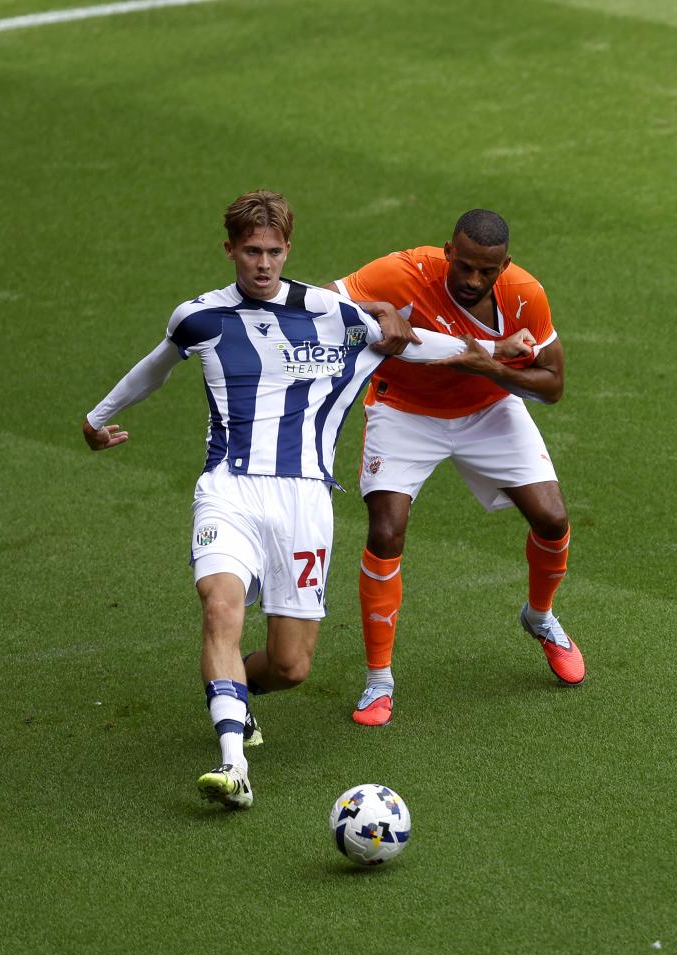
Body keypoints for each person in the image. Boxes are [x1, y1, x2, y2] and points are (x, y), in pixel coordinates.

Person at [82, 190, 533, 809]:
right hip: (229, 487)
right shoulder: (198, 317)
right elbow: (156, 367)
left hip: (306, 502)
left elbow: (413, 341)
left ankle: (234, 687)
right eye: (250, 252)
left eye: (272, 252)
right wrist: (97, 418)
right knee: (221, 606)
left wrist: (490, 354)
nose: (262, 265)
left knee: (291, 667)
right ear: (231, 251)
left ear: (287, 250)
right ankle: (234, 765)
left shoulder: (332, 312)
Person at [329, 209, 582, 729]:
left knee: (552, 519)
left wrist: (490, 366)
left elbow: (553, 386)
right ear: (447, 251)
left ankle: (540, 616)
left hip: (488, 408)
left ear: (503, 266)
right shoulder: (402, 272)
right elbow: (318, 301)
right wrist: (375, 307)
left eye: (485, 271)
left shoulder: (524, 294)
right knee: (385, 530)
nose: (471, 280)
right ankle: (379, 680)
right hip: (403, 409)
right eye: (462, 265)